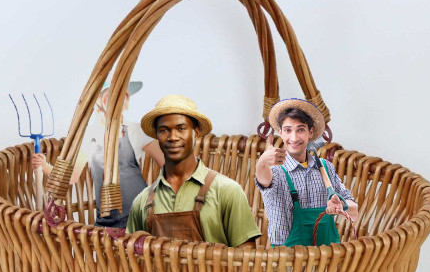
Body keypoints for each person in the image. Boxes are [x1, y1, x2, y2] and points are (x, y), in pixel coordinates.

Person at [126, 95, 261, 247]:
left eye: (181, 128)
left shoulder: (228, 192)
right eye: (164, 130)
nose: (173, 137)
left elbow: (247, 256)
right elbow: (132, 258)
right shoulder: (142, 202)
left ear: (195, 133)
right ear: (157, 136)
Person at [32, 80, 164, 228]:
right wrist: (45, 166)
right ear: (98, 102)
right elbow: (72, 176)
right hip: (109, 221)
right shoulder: (89, 136)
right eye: (111, 97)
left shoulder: (135, 131)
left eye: (122, 97)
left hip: (141, 216)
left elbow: (168, 166)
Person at [255, 98, 358, 247]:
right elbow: (263, 179)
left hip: (325, 261)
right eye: (288, 130)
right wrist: (262, 162)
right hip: (287, 262)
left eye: (301, 129)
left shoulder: (326, 168)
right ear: (280, 133)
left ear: (310, 133)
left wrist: (341, 205)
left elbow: (354, 212)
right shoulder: (275, 171)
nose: (294, 137)